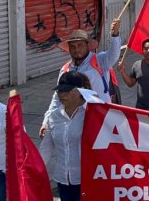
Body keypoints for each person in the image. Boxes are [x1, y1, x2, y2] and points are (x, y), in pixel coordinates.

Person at [40, 19, 121, 138]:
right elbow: (57, 98)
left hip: (101, 120)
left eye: (80, 45)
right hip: (76, 123)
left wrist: (115, 35)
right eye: (73, 46)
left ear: (87, 45)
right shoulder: (65, 69)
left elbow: (114, 54)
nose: (76, 49)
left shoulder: (100, 61)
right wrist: (46, 121)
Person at [39, 72, 94, 201]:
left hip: (86, 179)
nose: (61, 95)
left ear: (80, 91)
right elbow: (46, 148)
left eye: (67, 91)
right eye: (59, 91)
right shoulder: (54, 116)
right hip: (62, 179)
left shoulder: (93, 114)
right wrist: (33, 169)